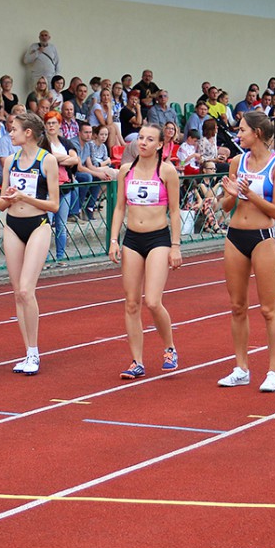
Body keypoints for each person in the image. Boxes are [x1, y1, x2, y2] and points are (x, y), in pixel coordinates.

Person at [217, 111, 275, 393]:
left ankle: (273, 372)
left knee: (268, 309)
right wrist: (232, 193)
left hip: (262, 238)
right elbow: (226, 206)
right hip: (235, 236)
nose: (238, 134)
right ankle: (241, 368)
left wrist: (251, 194)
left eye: (243, 130)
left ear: (257, 133)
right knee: (237, 307)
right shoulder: (237, 161)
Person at [108, 123, 182, 380]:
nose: (143, 143)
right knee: (131, 303)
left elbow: (175, 211)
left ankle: (169, 347)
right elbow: (119, 207)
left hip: (158, 238)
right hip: (132, 240)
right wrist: (114, 239)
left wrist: (175, 246)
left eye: (150, 139)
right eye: (141, 138)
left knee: (152, 300)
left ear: (160, 144)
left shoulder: (167, 171)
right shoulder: (126, 170)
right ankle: (136, 361)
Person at [0, 112, 60, 375]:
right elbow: (0, 202)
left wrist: (26, 197)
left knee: (26, 290)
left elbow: (54, 205)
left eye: (14, 129)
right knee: (16, 292)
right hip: (12, 226)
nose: (10, 133)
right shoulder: (10, 162)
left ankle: (34, 353)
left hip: (38, 226)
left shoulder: (48, 161)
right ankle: (26, 352)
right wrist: (10, 198)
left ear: (28, 133)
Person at [42, 110, 79, 265]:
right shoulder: (41, 142)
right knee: (45, 226)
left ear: (59, 125)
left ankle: (60, 257)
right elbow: (45, 158)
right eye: (49, 123)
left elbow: (75, 160)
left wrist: (57, 159)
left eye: (54, 123)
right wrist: (65, 159)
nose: (51, 126)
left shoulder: (66, 142)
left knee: (61, 225)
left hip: (64, 187)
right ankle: (43, 259)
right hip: (46, 189)